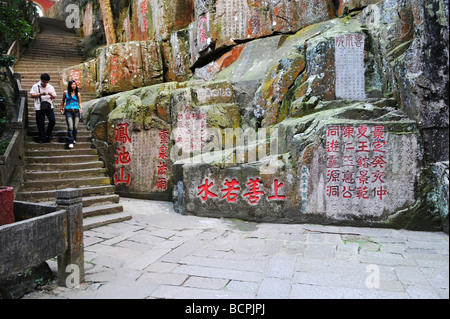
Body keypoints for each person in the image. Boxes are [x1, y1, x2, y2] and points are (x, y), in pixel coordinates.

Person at [29, 73, 56, 143]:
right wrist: (40, 94)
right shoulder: (36, 86)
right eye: (44, 82)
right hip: (39, 107)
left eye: (46, 82)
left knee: (52, 120)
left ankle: (48, 133)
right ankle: (42, 138)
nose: (45, 84)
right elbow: (31, 95)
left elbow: (54, 96)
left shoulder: (50, 87)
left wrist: (51, 95)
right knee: (40, 123)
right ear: (41, 80)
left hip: (49, 106)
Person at [60, 80, 83, 149]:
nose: (74, 86)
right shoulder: (65, 92)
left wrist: (81, 108)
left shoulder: (78, 94)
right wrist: (61, 109)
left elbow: (79, 102)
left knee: (75, 127)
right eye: (72, 84)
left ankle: (74, 138)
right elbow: (62, 100)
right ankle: (70, 141)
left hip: (76, 111)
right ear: (70, 85)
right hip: (68, 111)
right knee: (70, 126)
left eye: (75, 84)